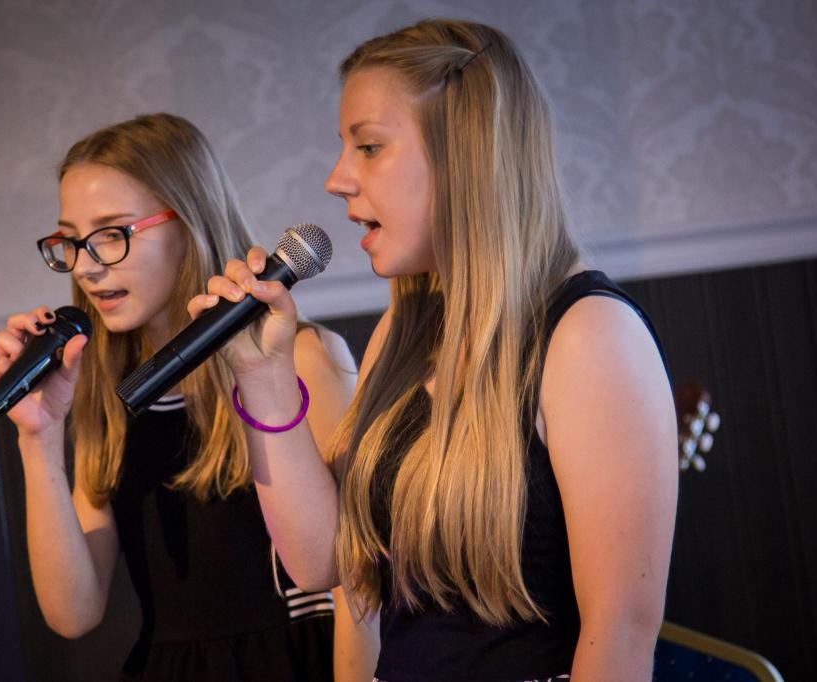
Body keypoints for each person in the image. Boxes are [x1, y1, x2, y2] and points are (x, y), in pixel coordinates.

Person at [189, 19, 678, 681]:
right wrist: (263, 373)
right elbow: (322, 562)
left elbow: (619, 633)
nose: (337, 179)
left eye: (368, 146)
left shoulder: (589, 334)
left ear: (465, 155)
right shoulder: (407, 327)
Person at [0, 113, 362, 681]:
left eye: (112, 234)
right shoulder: (104, 389)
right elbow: (73, 613)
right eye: (72, 241)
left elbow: (359, 583)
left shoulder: (302, 359)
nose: (86, 267)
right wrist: (36, 438)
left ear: (189, 222)